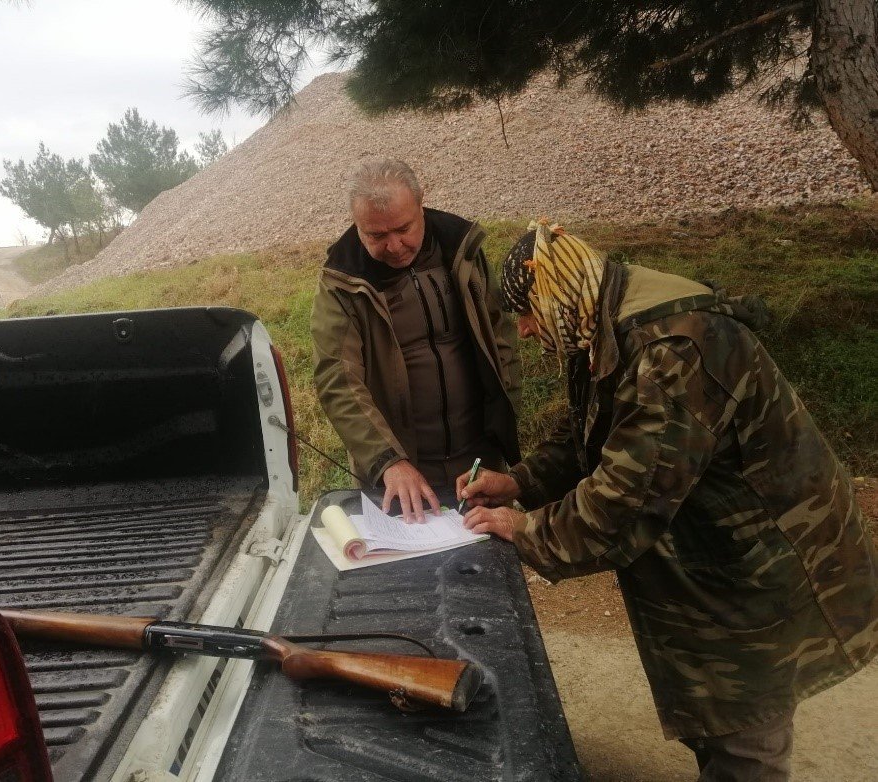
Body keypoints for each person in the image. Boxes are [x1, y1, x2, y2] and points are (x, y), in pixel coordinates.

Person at [458, 220, 878, 780]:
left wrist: (523, 528)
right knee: (717, 713)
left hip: (763, 558)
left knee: (746, 725)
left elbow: (623, 501)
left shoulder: (670, 347)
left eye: (528, 310)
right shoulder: (600, 316)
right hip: (712, 549)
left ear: (555, 289)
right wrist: (521, 483)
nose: (529, 329)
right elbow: (593, 431)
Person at [312, 158, 520, 521]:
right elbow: (338, 380)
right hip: (403, 472)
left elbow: (501, 337)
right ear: (357, 225)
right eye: (376, 235)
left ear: (421, 204)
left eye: (403, 228)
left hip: (479, 460)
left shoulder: (462, 249)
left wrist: (504, 423)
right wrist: (388, 461)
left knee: (490, 568)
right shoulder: (342, 283)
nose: (394, 246)